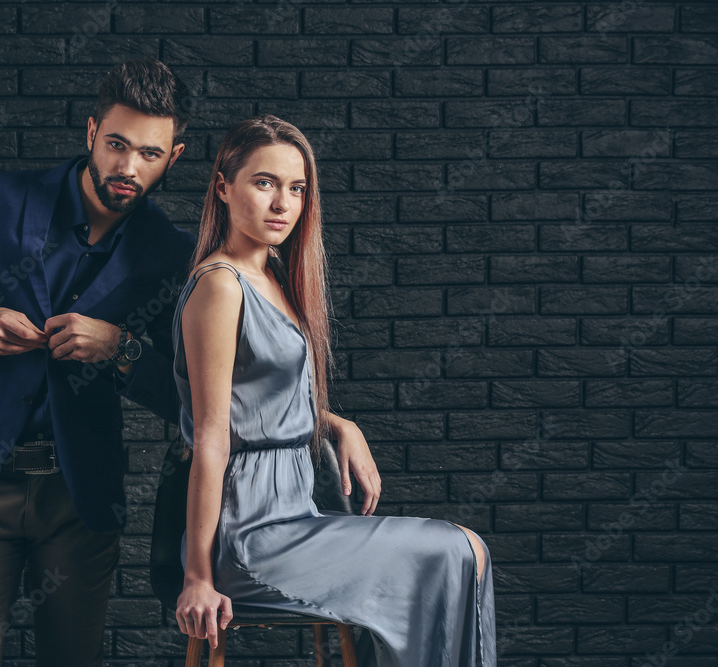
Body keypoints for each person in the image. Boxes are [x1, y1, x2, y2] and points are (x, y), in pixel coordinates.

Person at [0, 59, 196, 666]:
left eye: (149, 154)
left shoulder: (171, 251)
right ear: (92, 131)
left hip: (81, 496)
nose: (128, 167)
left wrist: (120, 348)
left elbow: (185, 393)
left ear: (173, 157)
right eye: (117, 144)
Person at [170, 114, 497, 665]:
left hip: (296, 515)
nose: (282, 203)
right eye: (264, 182)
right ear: (223, 188)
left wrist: (337, 422)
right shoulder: (221, 286)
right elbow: (211, 436)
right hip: (248, 536)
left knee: (463, 553)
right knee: (458, 550)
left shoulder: (275, 276)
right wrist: (198, 577)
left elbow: (260, 400)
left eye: (296, 188)